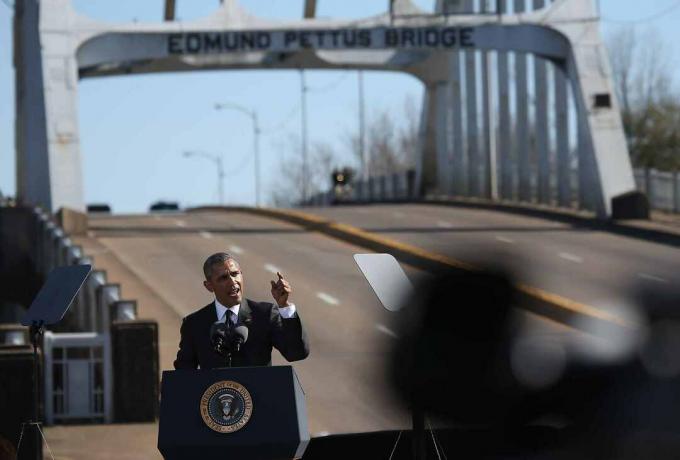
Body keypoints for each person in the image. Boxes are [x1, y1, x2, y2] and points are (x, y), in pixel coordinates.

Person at [173, 252, 309, 369]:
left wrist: (284, 306)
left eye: (235, 274)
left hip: (259, 398)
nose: (233, 282)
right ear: (209, 286)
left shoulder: (264, 314)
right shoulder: (194, 324)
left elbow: (296, 353)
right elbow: (184, 373)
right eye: (223, 278)